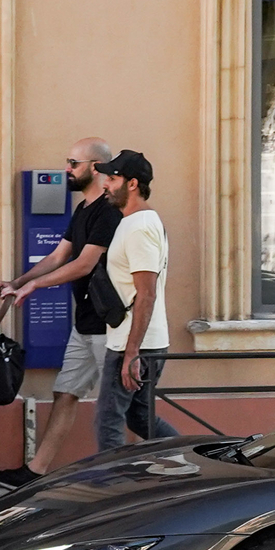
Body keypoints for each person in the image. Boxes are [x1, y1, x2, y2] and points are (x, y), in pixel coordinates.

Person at [0, 137, 120, 487]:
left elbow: (85, 264)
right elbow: (59, 257)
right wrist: (18, 281)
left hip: (112, 326)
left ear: (96, 168)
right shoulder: (83, 210)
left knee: (127, 409)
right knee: (65, 393)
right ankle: (34, 472)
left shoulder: (108, 211)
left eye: (73, 163)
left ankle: (178, 467)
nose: (66, 169)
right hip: (86, 323)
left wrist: (35, 287)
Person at [94, 148, 180, 450]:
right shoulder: (134, 223)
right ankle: (192, 463)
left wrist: (131, 354)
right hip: (140, 340)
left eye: (112, 178)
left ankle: (113, 489)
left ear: (132, 184)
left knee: (108, 420)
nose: (105, 183)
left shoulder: (141, 227)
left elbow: (147, 292)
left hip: (133, 344)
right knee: (140, 417)